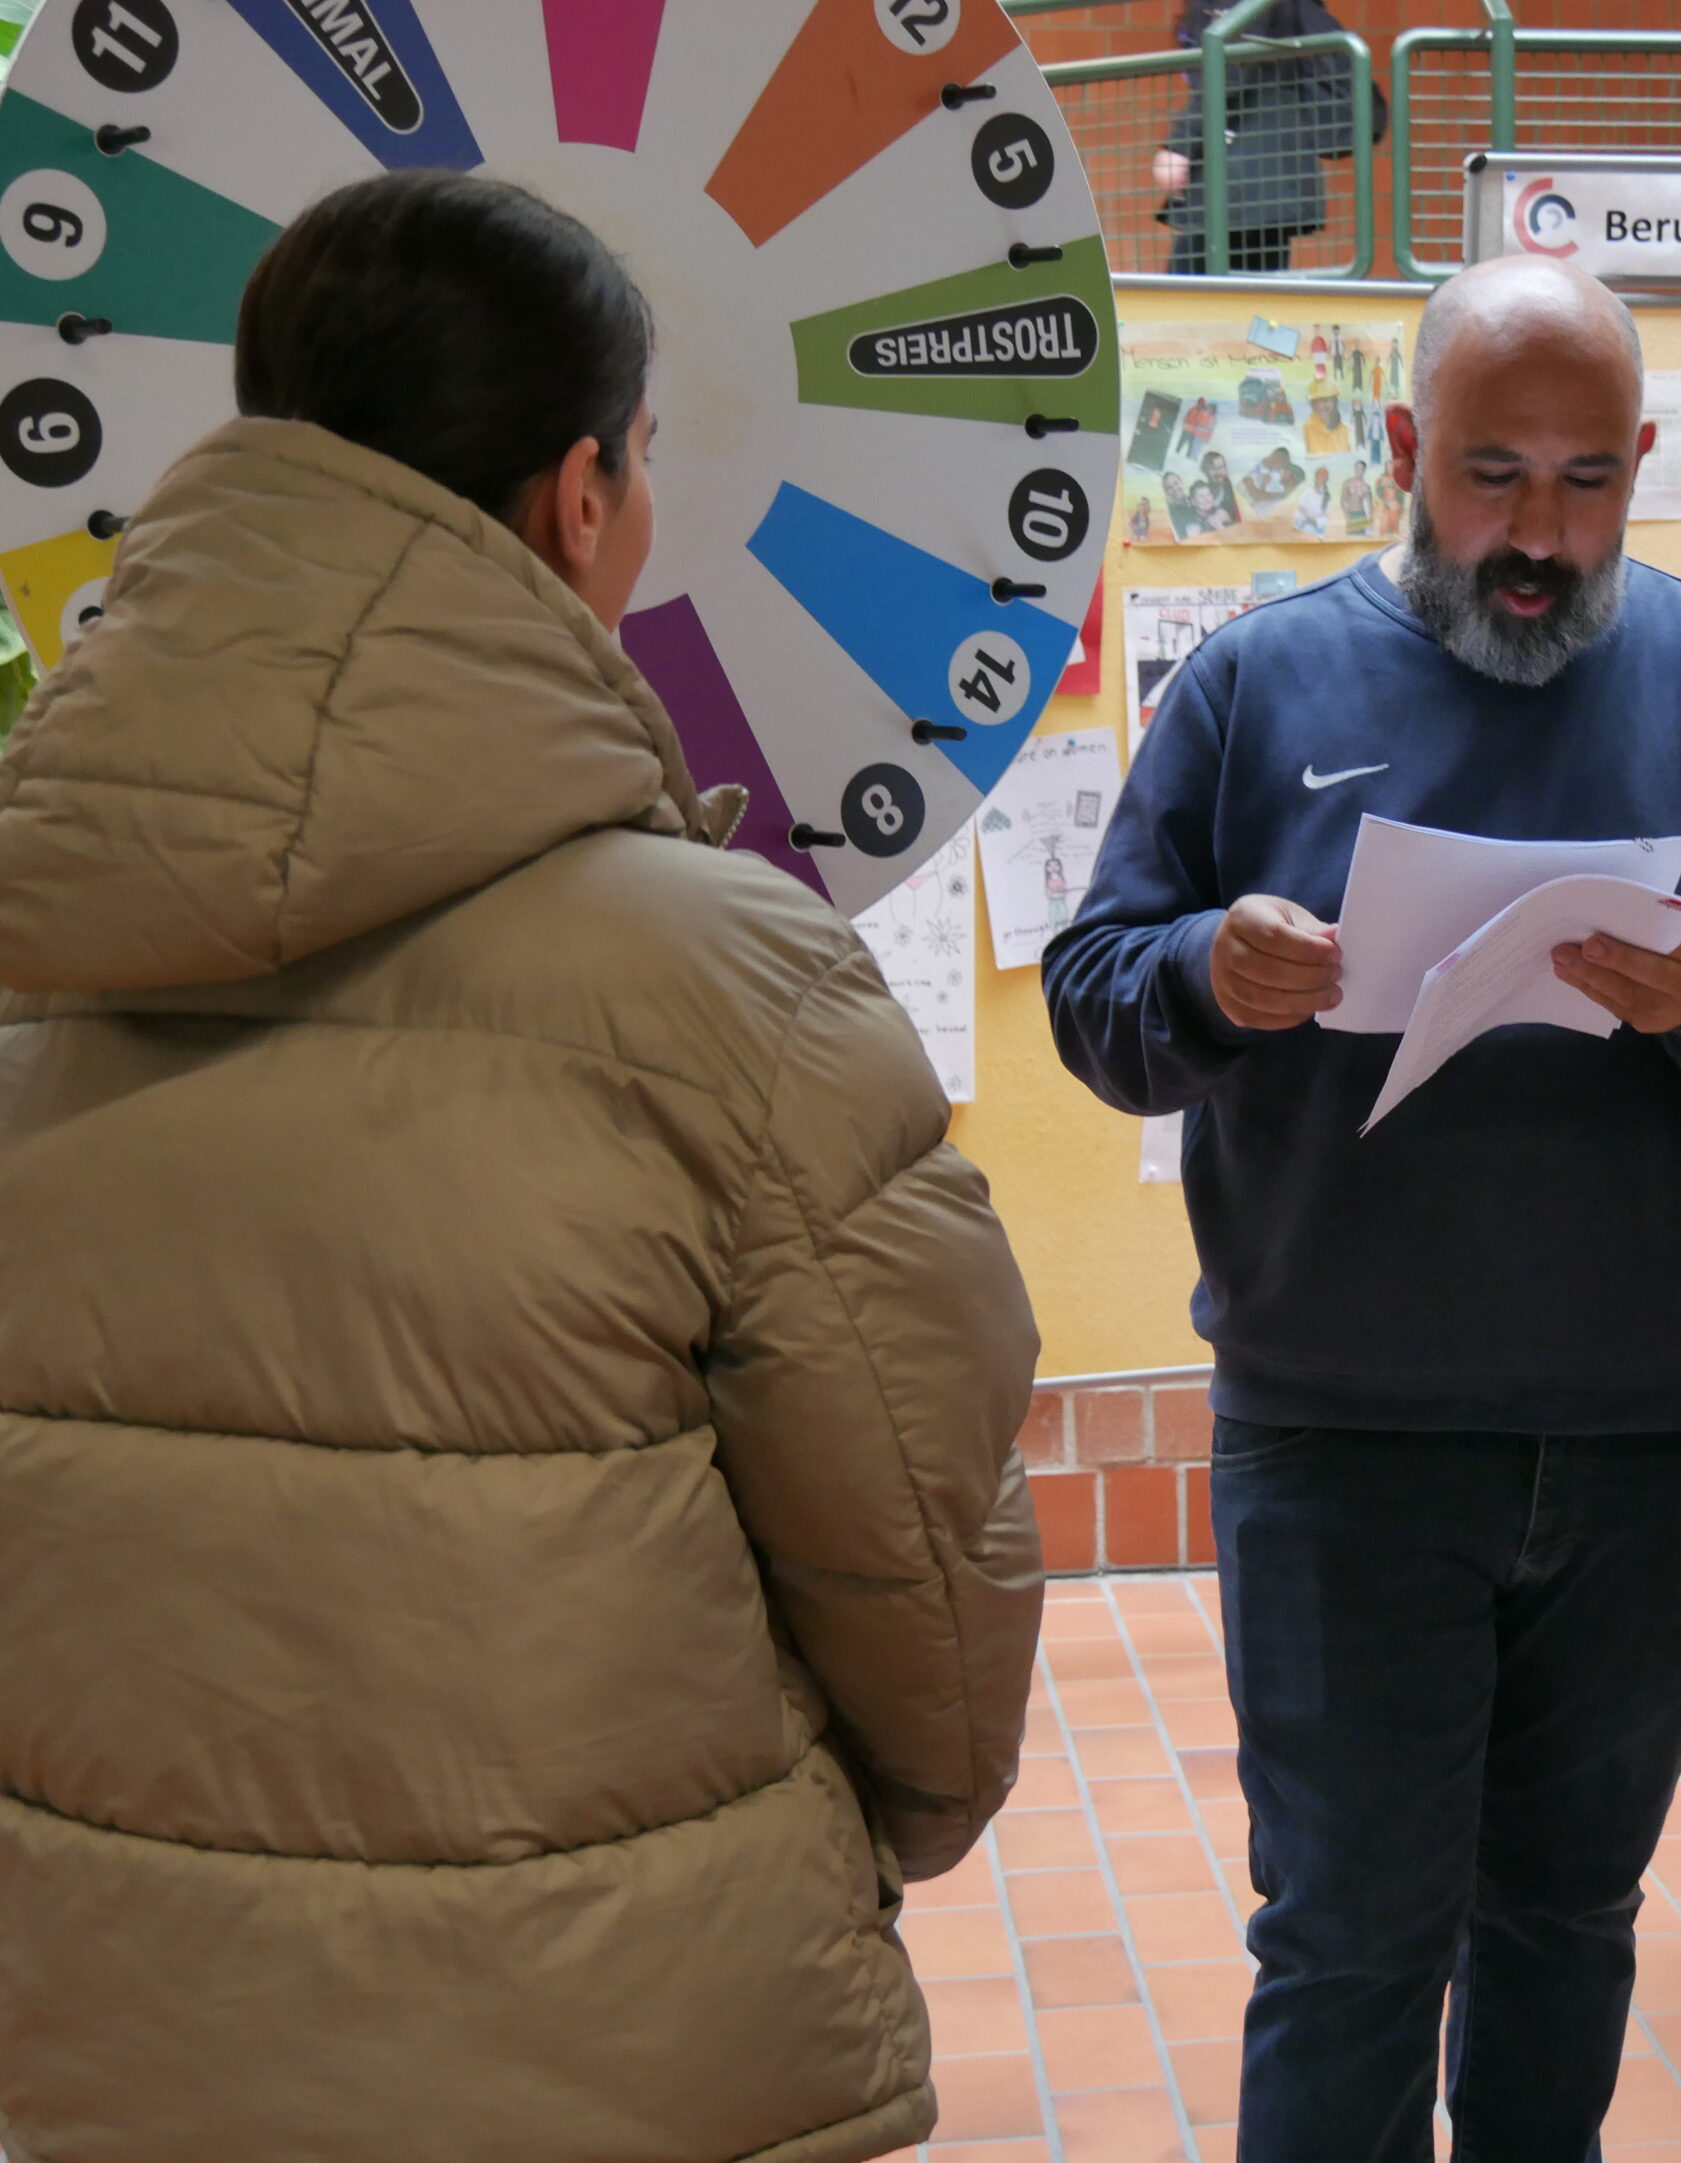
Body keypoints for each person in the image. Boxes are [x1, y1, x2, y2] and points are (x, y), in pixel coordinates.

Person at [0, 170, 1044, 2163]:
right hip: (633, 2043)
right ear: (582, 497)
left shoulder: (36, 940)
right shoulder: (728, 983)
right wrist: (878, 1813)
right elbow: (918, 1551)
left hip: (127, 2038)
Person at [1043, 255, 1681, 2161]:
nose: (1539, 535)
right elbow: (1096, 998)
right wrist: (1205, 969)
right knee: (1348, 1947)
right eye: (1492, 475)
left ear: (1644, 463)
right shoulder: (1257, 681)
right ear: (1402, 446)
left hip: (1646, 1446)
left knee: (1566, 1929)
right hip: (1344, 1446)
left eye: (1587, 482)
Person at [1152, 0, 1378, 276]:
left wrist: (1180, 144)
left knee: (1193, 282)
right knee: (1251, 282)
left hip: (1245, 172)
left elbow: (1229, 70)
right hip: (1264, 173)